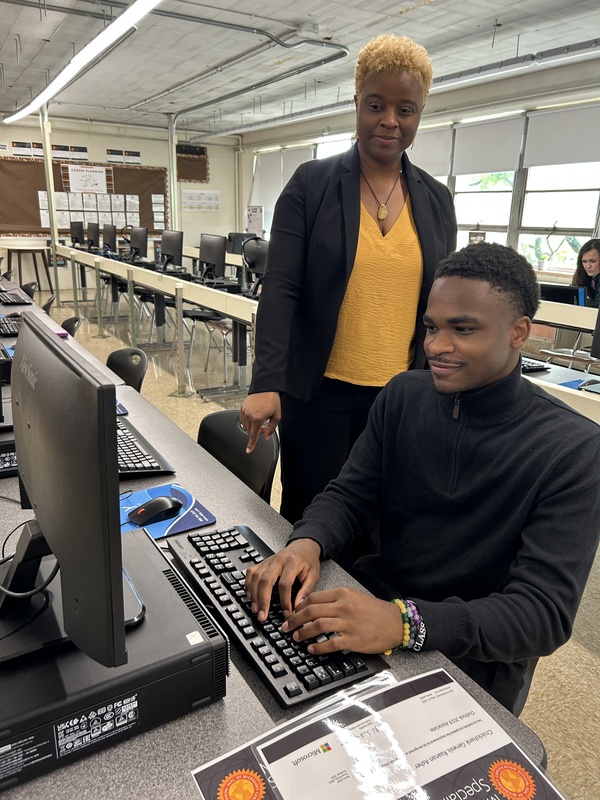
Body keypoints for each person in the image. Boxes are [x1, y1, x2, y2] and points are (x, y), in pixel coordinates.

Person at [245, 242, 600, 714]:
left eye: (463, 329)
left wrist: (403, 623)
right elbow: (349, 494)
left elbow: (542, 615)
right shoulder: (403, 395)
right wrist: (305, 543)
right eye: (431, 327)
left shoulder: (574, 449)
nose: (435, 346)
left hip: (463, 656)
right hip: (371, 609)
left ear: (519, 333)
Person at [240, 33, 457, 523]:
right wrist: (266, 380)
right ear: (356, 101)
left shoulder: (437, 200)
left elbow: (442, 305)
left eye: (406, 110)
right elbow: (281, 288)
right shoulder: (311, 184)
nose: (390, 121)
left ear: (419, 113)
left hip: (403, 396)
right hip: (319, 391)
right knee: (312, 514)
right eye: (376, 105)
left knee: (385, 520)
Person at [571, 238, 600, 307]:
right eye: (584, 261)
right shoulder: (582, 275)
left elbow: (596, 307)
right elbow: (571, 293)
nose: (588, 266)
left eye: (593, 261)